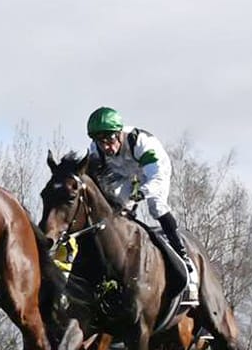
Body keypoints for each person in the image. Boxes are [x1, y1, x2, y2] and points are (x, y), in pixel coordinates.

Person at [85, 106, 198, 305]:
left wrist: (142, 192)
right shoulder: (96, 150)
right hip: (123, 175)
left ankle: (184, 258)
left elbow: (155, 177)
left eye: (110, 140)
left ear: (119, 133)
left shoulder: (141, 142)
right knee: (114, 209)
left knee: (156, 205)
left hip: (152, 171)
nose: (107, 147)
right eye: (100, 141)